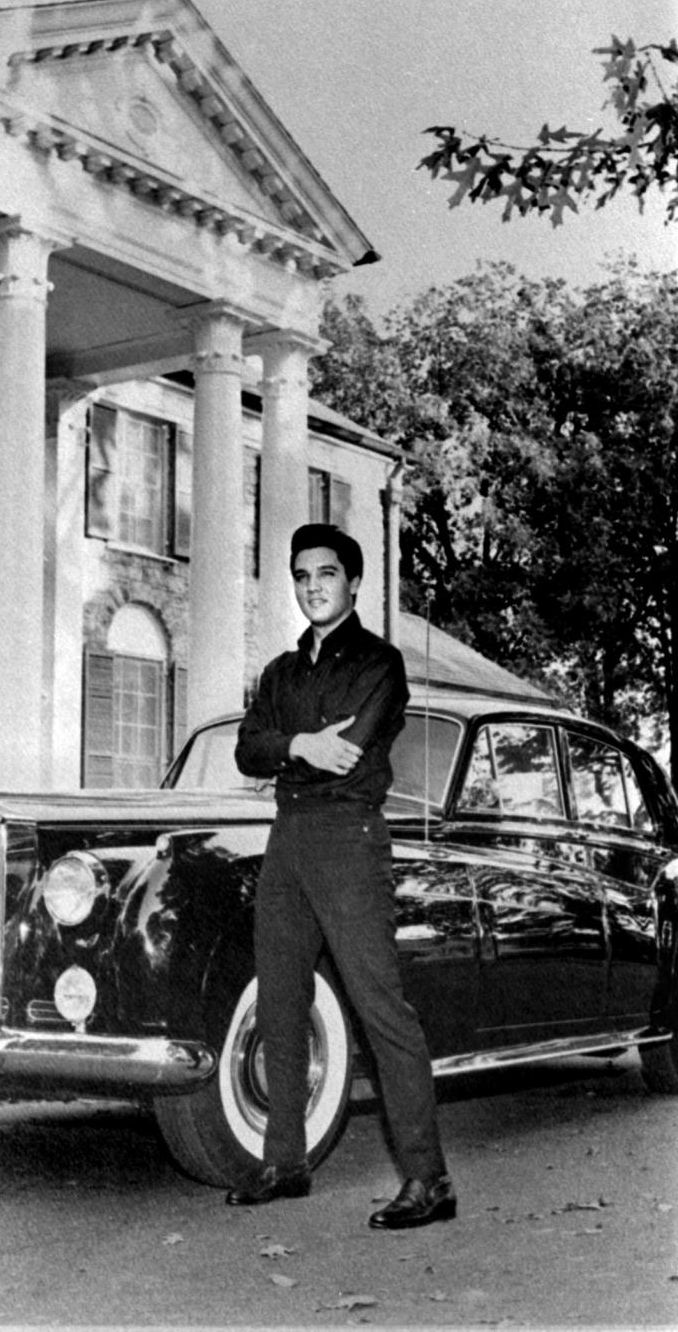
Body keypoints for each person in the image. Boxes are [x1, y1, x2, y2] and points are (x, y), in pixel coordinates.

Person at [227, 522, 455, 1230]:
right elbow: (246, 750)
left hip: (351, 841)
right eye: (301, 575)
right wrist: (298, 741)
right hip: (288, 841)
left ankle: (428, 1177)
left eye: (326, 573)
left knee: (381, 1008)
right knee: (281, 1003)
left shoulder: (380, 663)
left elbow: (349, 754)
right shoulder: (280, 674)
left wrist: (289, 748)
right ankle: (285, 1162)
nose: (312, 585)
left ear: (353, 582)